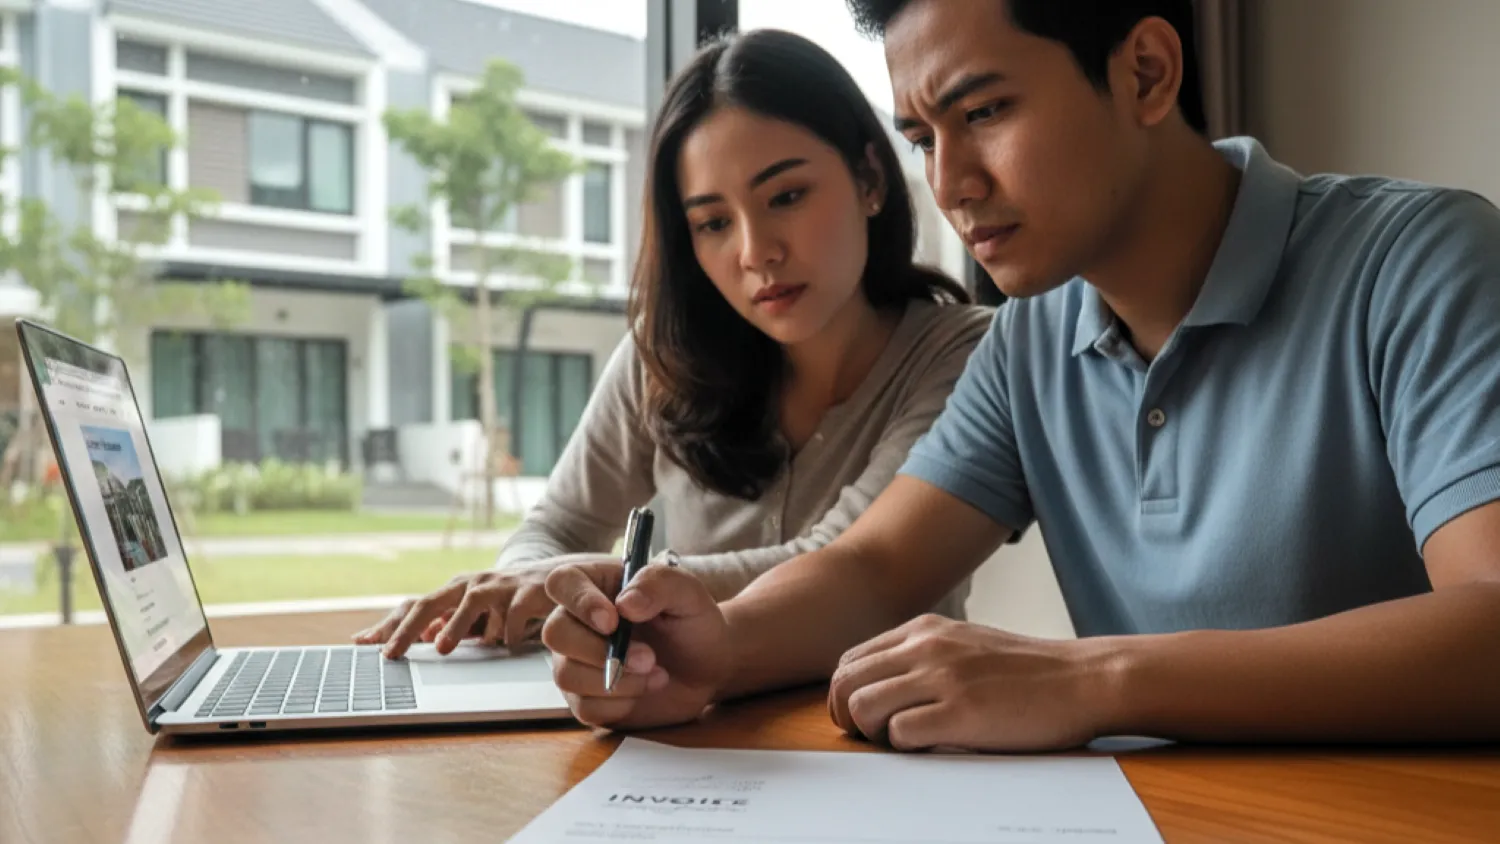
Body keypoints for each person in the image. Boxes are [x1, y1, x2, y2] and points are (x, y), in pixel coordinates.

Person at [537, 0, 1500, 751]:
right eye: (921, 137)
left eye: (985, 111)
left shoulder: (1417, 262)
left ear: (1148, 73)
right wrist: (721, 650)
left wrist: (1088, 679)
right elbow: (877, 568)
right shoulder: (1028, 339)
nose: (950, 182)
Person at [356, 28, 992, 658]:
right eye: (713, 223)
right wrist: (531, 583)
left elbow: (843, 562)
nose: (755, 252)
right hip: (678, 737)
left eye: (787, 196)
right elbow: (557, 527)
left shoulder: (967, 356)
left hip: (885, 737)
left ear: (871, 180)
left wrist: (611, 583)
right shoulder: (660, 356)